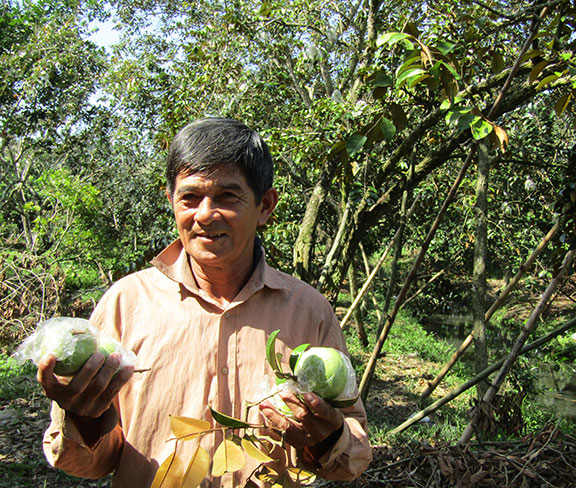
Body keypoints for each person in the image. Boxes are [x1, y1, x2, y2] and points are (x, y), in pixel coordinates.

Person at [37, 117, 372, 487]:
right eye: (190, 197)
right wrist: (85, 418)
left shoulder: (309, 310)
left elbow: (353, 453)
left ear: (265, 206)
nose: (205, 214)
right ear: (171, 202)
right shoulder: (126, 304)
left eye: (228, 196)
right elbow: (86, 462)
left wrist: (325, 437)